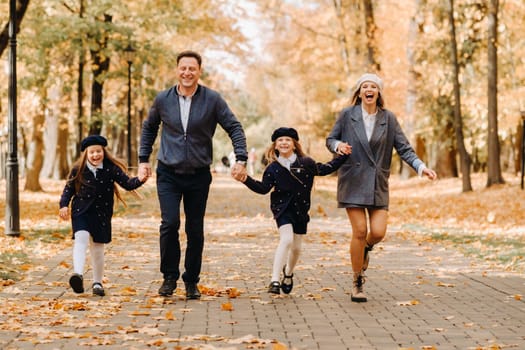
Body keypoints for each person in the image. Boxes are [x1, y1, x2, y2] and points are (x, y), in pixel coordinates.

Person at [138, 50, 248, 299]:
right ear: (177, 70)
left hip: (198, 174)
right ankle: (169, 277)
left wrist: (241, 157)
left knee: (195, 229)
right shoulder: (163, 99)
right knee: (169, 224)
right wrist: (143, 160)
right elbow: (149, 129)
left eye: (192, 69)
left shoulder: (212, 100)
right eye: (183, 68)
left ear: (199, 71)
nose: (187, 73)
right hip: (168, 172)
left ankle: (191, 281)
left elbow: (234, 127)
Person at [326, 73, 437, 303]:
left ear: (378, 93)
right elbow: (330, 139)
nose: (369, 90)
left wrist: (421, 167)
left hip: (377, 182)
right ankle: (357, 281)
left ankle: (365, 248)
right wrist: (338, 146)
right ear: (359, 93)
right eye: (365, 86)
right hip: (353, 179)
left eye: (373, 87)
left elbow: (404, 148)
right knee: (358, 230)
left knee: (377, 232)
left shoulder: (389, 119)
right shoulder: (348, 115)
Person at [236, 127, 348, 295]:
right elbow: (263, 188)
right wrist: (246, 179)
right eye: (280, 140)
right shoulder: (272, 168)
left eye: (288, 140)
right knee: (286, 239)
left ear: (294, 145)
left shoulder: (306, 163)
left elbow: (326, 168)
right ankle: (274, 280)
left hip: (301, 209)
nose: (284, 142)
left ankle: (288, 274)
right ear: (275, 145)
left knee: (296, 248)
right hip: (282, 209)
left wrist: (343, 155)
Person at [59, 135, 147, 296]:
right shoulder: (78, 169)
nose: (95, 155)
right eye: (92, 152)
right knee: (81, 238)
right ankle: (77, 275)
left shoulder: (110, 168)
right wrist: (64, 205)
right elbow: (68, 190)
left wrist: (140, 179)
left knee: (98, 249)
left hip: (102, 214)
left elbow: (127, 184)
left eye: (98, 151)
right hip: (81, 212)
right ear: (86, 153)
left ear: (103, 152)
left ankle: (97, 283)